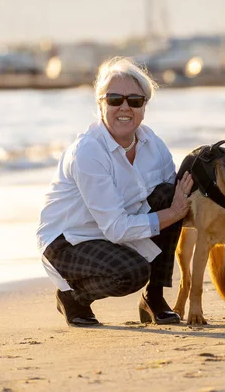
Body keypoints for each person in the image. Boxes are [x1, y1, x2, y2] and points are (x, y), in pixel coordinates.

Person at [36, 56, 193, 327]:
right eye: (114, 99)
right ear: (100, 104)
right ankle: (72, 297)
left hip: (113, 233)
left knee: (170, 193)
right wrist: (174, 212)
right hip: (68, 242)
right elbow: (118, 229)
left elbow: (174, 199)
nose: (124, 107)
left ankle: (153, 298)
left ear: (144, 107)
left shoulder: (153, 144)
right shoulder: (88, 152)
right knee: (130, 272)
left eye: (134, 101)